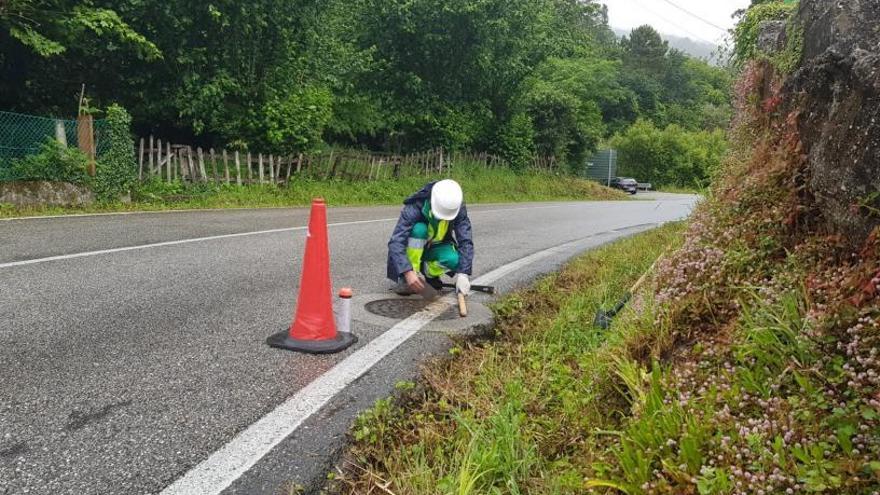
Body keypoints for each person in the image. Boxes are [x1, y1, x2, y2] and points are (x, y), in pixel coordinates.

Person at [387, 179, 474, 296]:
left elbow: (465, 241)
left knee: (454, 259)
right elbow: (396, 242)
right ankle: (408, 278)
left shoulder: (456, 207)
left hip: (435, 248)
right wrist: (407, 272)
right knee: (419, 229)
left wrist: (463, 274)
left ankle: (430, 276)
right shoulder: (415, 206)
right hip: (413, 254)